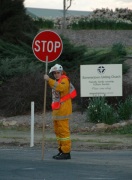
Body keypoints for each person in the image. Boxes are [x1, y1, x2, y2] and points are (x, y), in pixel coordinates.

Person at [44, 64, 77, 160]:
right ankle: (61, 150)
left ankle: (66, 152)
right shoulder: (58, 80)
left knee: (63, 132)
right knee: (58, 131)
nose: (56, 74)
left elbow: (61, 88)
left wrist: (48, 80)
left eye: (57, 72)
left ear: (61, 72)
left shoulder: (65, 80)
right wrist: (50, 80)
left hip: (63, 110)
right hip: (57, 110)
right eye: (54, 73)